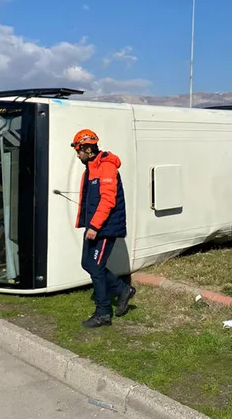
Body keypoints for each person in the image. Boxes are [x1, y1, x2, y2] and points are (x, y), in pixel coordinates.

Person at [72, 129, 135, 328]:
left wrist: (94, 226)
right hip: (95, 226)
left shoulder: (107, 166)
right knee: (87, 263)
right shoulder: (90, 169)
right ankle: (123, 290)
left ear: (88, 149)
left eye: (78, 150)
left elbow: (108, 200)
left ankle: (103, 313)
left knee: (96, 268)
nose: (77, 155)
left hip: (105, 227)